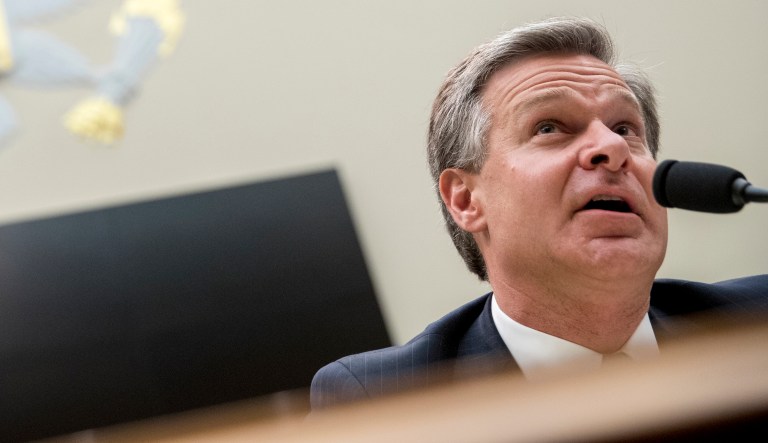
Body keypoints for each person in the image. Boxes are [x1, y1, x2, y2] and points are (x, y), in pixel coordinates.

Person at [310, 16, 768, 410]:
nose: (610, 148)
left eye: (625, 128)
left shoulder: (755, 327)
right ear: (466, 200)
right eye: (549, 127)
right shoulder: (388, 400)